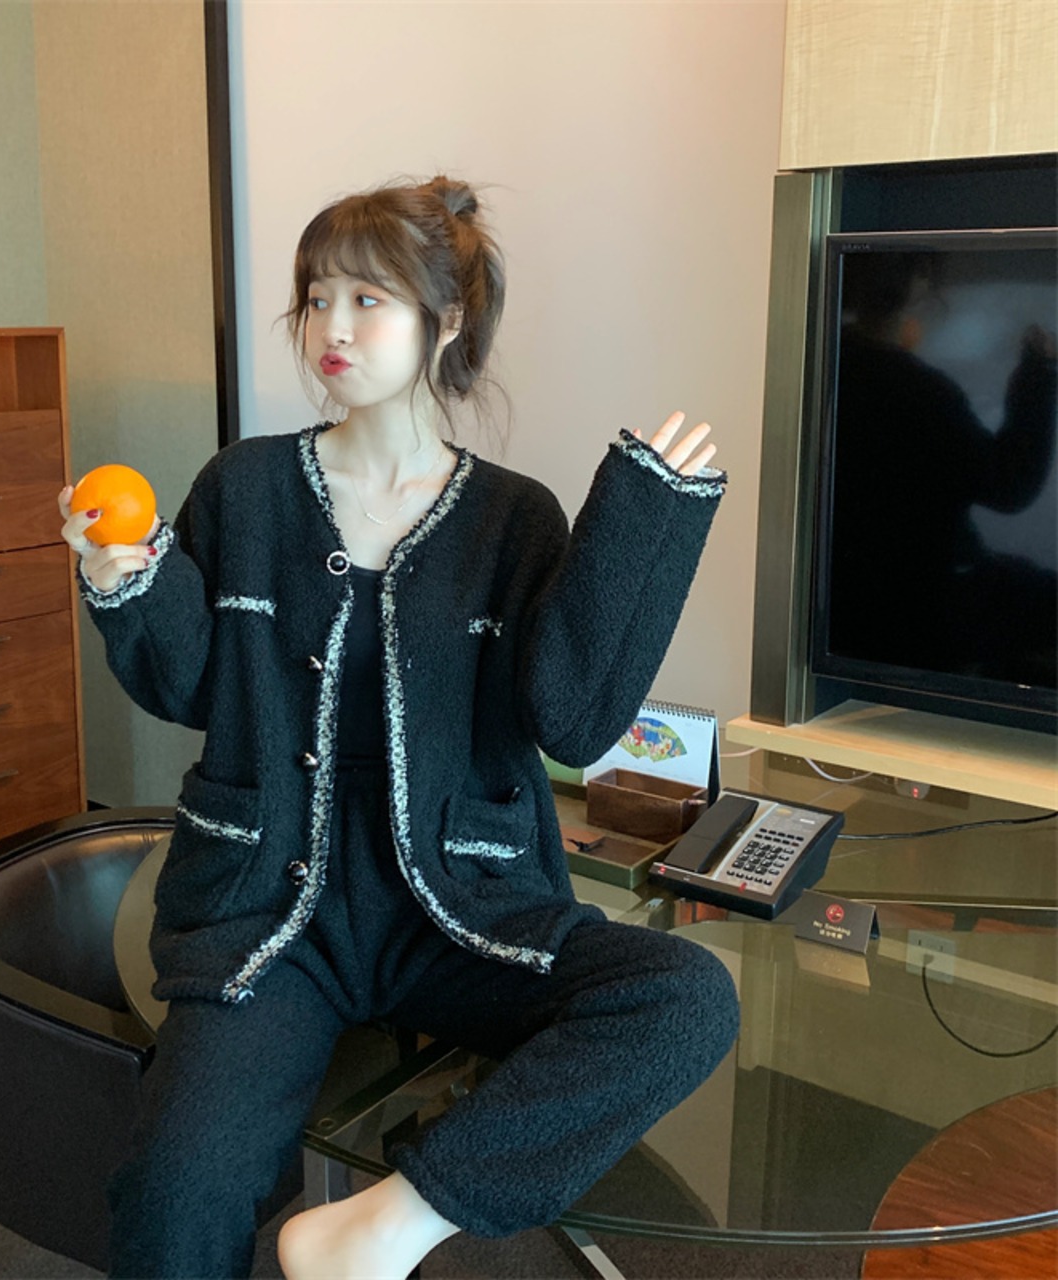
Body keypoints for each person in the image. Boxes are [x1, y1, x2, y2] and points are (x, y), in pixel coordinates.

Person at [58, 174, 740, 1280]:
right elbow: (190, 686)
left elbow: (572, 720)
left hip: (458, 914)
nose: (330, 327)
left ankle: (385, 1227)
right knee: (177, 1189)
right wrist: (118, 575)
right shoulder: (244, 487)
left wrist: (643, 524)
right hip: (268, 915)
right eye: (316, 298)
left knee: (684, 998)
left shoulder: (513, 518)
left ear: (447, 320)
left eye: (367, 300)